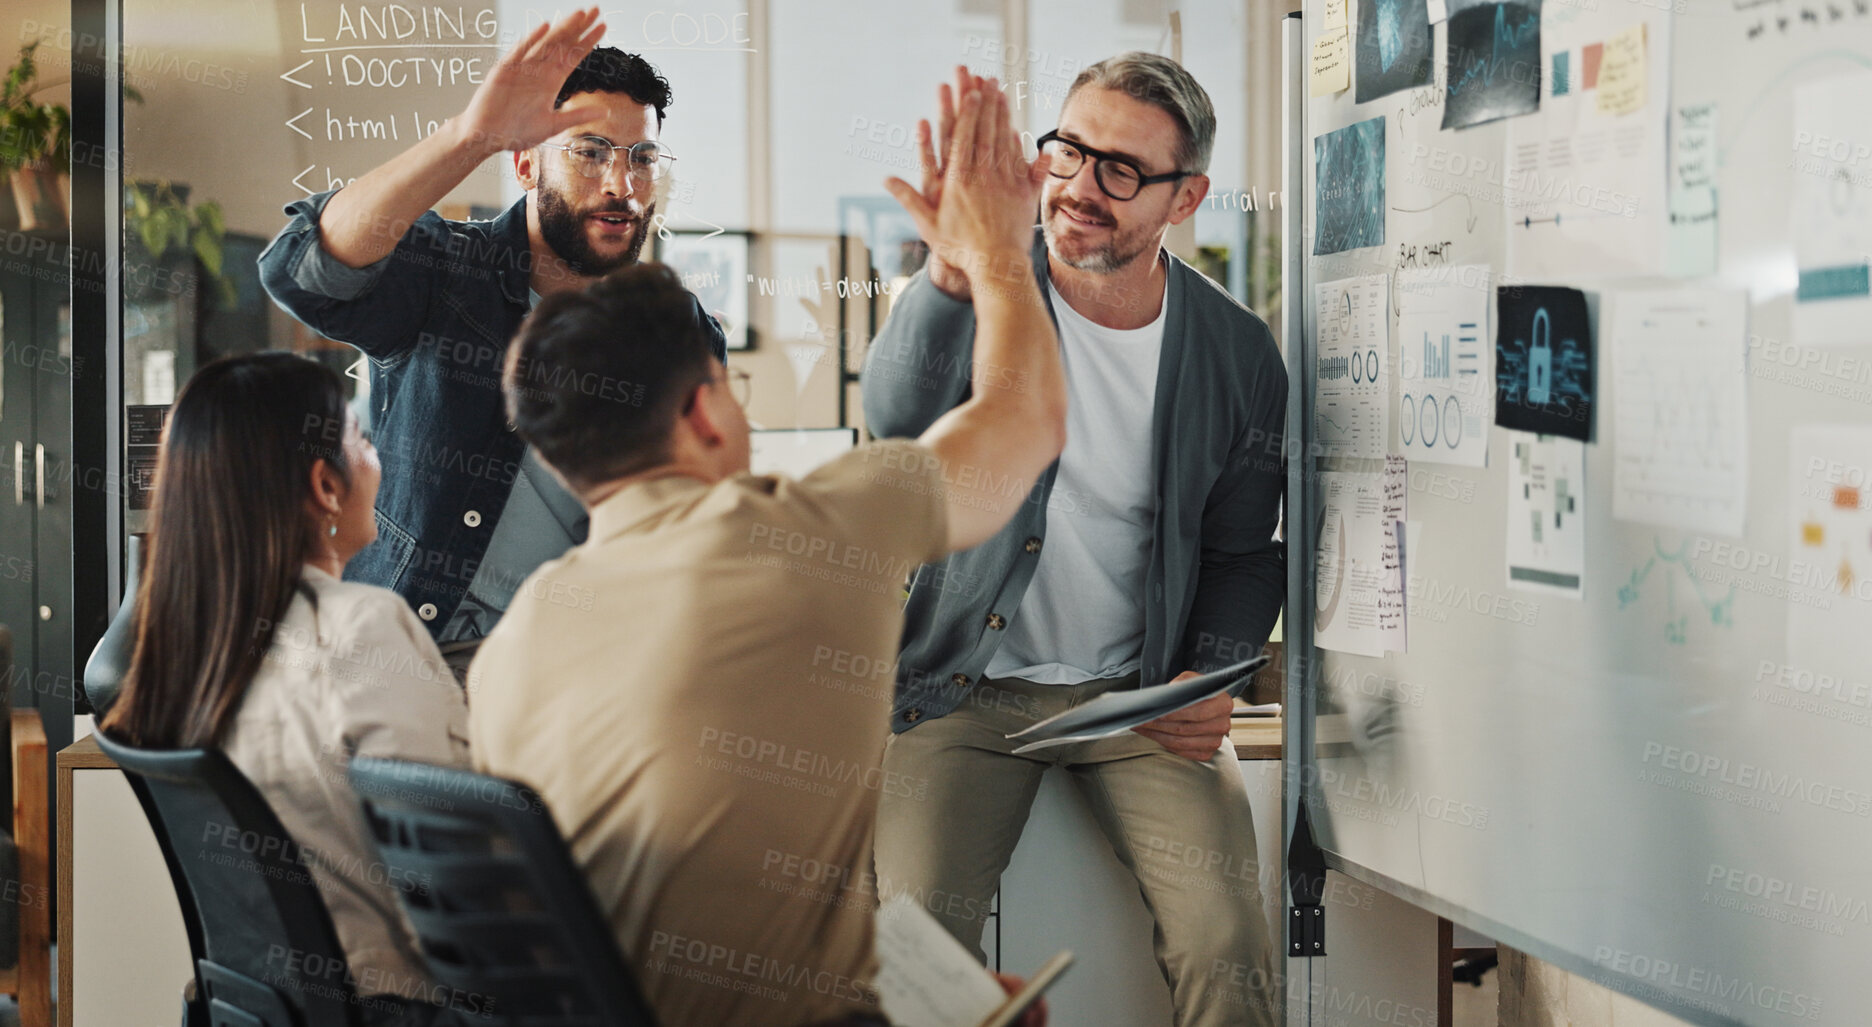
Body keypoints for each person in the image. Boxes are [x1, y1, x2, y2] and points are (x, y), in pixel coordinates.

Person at [467, 77, 1057, 1027]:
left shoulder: (516, 640)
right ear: (704, 410)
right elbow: (1024, 418)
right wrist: (998, 255)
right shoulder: (807, 533)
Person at [864, 56, 1287, 1026]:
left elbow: (1241, 550)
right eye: (1069, 150)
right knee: (918, 949)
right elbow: (896, 413)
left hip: (1135, 696)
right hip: (955, 691)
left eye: (1123, 170)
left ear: (1188, 200)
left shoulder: (1237, 353)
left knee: (1226, 940)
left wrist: (1210, 677)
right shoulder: (990, 294)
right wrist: (950, 272)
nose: (1081, 188)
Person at [259, 9, 726, 677]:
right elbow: (299, 270)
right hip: (423, 657)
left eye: (641, 158)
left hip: (597, 669)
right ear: (526, 165)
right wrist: (470, 136)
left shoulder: (679, 331)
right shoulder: (448, 273)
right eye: (590, 152)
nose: (621, 185)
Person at [100, 352, 471, 1024]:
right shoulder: (361, 628)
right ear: (325, 485)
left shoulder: (180, 655)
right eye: (362, 439)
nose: (376, 459)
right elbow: (449, 899)